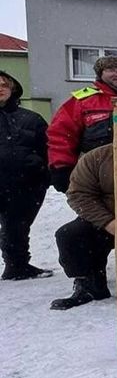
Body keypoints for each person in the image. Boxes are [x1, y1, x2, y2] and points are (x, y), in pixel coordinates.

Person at [50, 117, 117, 309]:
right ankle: (89, 283)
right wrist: (109, 222)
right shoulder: (96, 158)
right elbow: (79, 194)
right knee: (70, 235)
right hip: (107, 221)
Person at [47, 54, 117, 193]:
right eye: (112, 69)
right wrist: (62, 167)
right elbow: (61, 135)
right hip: (96, 175)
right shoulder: (82, 101)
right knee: (96, 213)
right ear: (101, 73)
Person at [0, 70, 51, 281]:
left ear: (12, 89)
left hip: (25, 184)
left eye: (4, 84)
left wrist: (43, 173)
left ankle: (17, 265)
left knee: (17, 227)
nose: (0, 88)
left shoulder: (31, 119)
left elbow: (49, 148)